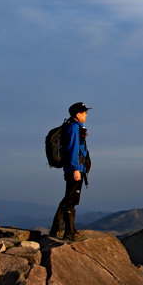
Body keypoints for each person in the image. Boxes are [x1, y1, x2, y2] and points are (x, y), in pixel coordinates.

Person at [50, 101, 91, 241]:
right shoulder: (73, 127)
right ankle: (69, 232)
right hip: (75, 169)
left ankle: (59, 229)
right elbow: (73, 149)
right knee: (71, 200)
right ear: (77, 114)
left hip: (77, 168)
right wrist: (76, 169)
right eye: (84, 112)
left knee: (69, 198)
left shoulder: (74, 126)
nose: (86, 114)